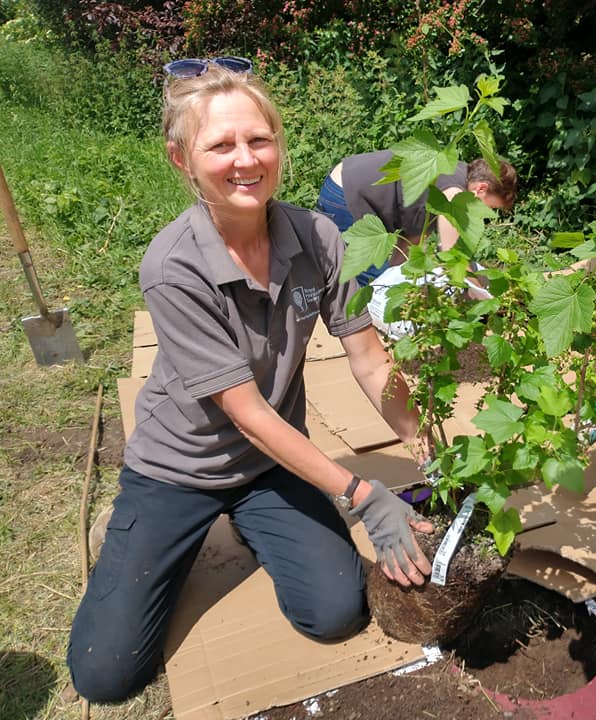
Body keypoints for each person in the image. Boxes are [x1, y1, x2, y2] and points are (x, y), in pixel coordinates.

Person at [67, 58, 435, 703]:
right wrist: (362, 494)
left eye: (258, 139)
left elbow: (370, 359)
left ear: (279, 146)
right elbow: (247, 414)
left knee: (336, 613)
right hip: (178, 469)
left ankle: (251, 519)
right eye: (221, 145)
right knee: (107, 676)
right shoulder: (173, 266)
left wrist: (430, 448)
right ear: (182, 159)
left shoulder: (319, 235)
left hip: (270, 467)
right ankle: (140, 532)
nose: (245, 159)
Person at [316, 150, 517, 285]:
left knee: (385, 283)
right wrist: (482, 295)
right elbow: (453, 259)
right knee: (365, 283)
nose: (484, 216)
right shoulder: (454, 195)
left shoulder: (453, 179)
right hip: (345, 195)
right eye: (489, 207)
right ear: (481, 189)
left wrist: (402, 282)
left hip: (349, 187)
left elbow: (410, 242)